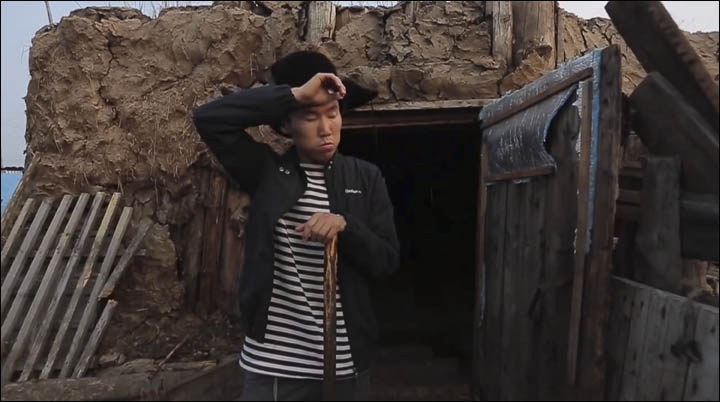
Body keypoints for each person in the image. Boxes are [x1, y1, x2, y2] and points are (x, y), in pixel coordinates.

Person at [192, 50, 400, 401]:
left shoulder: (366, 178)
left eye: (332, 114)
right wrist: (296, 94)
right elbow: (209, 119)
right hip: (273, 365)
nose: (325, 129)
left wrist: (345, 226)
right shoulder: (267, 173)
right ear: (286, 125)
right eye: (309, 116)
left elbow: (386, 261)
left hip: (345, 365)